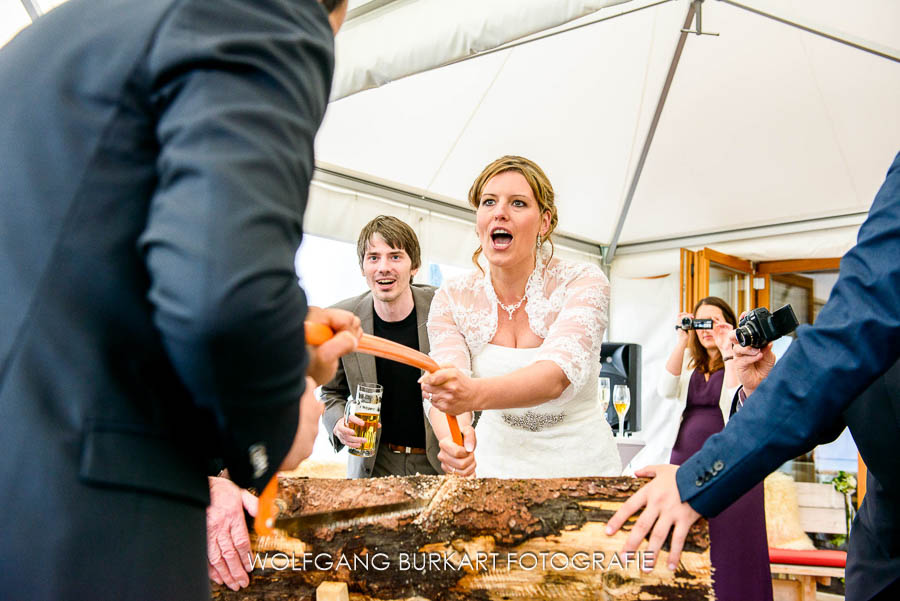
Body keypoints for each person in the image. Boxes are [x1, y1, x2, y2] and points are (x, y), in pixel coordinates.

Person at [0, 1, 359, 599]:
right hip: (88, 526)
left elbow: (78, 283)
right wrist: (276, 417)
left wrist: (279, 330)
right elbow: (223, 300)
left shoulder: (55, 38)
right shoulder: (261, 16)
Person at [606, 151, 900, 601]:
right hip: (884, 535)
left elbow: (847, 338)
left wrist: (693, 479)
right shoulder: (698, 363)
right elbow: (834, 386)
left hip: (730, 463)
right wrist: (759, 385)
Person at [420, 155, 621, 478]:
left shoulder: (583, 281)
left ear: (544, 221)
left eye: (517, 203)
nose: (500, 212)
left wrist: (472, 394)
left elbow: (555, 377)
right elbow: (446, 383)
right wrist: (452, 438)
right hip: (494, 467)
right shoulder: (452, 297)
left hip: (582, 467)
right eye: (489, 202)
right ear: (478, 220)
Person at [660, 297, 772, 601]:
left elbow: (731, 404)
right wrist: (681, 339)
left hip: (732, 458)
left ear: (728, 323)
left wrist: (728, 351)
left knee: (732, 538)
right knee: (688, 538)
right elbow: (665, 390)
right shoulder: (688, 362)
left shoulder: (740, 359)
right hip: (684, 457)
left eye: (713, 321)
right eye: (699, 322)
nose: (705, 328)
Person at [320, 216, 445, 478]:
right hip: (373, 464)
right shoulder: (343, 318)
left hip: (438, 462)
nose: (383, 267)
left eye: (395, 256)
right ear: (363, 267)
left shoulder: (444, 307)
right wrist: (339, 425)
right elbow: (331, 393)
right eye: (373, 257)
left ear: (415, 266)